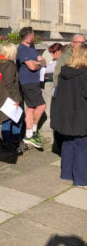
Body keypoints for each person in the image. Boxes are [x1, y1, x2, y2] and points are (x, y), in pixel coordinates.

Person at [50, 44, 87, 187]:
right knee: (82, 146)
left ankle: (66, 173)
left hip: (65, 115)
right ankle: (81, 179)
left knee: (68, 143)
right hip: (80, 115)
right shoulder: (84, 75)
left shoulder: (64, 72)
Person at [0, 43, 26, 154]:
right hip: (9, 96)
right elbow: (10, 84)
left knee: (6, 120)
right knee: (17, 120)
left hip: (2, 95)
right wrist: (16, 99)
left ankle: (8, 143)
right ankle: (14, 142)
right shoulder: (9, 65)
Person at [16, 26, 46, 149]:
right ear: (29, 36)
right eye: (33, 34)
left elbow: (43, 61)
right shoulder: (22, 49)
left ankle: (28, 135)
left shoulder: (32, 49)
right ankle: (33, 130)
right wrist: (38, 63)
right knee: (42, 105)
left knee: (31, 108)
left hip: (33, 81)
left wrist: (38, 62)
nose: (34, 36)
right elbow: (32, 67)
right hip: (28, 82)